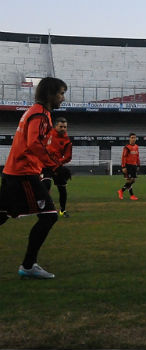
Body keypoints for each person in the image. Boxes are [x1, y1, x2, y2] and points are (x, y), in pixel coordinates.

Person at [0, 77, 66, 279]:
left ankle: (29, 265)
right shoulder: (40, 114)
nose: (62, 98)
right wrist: (54, 167)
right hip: (24, 174)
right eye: (61, 93)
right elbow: (33, 144)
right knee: (49, 215)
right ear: (50, 95)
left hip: (15, 172)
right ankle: (28, 265)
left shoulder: (37, 112)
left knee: (2, 214)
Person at [42, 117, 73, 217]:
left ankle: (62, 211)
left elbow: (68, 157)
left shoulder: (67, 141)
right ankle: (46, 209)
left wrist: (58, 162)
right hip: (45, 165)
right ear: (56, 126)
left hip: (57, 166)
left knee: (62, 189)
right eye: (61, 126)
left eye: (65, 127)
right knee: (46, 184)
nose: (63, 129)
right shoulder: (48, 133)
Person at [117, 133, 140, 200]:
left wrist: (138, 164)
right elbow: (123, 157)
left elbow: (137, 156)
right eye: (132, 137)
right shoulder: (127, 147)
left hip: (134, 165)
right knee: (129, 180)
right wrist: (123, 167)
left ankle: (121, 190)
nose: (133, 139)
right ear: (129, 138)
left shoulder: (136, 147)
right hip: (128, 166)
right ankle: (132, 195)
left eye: (134, 137)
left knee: (133, 180)